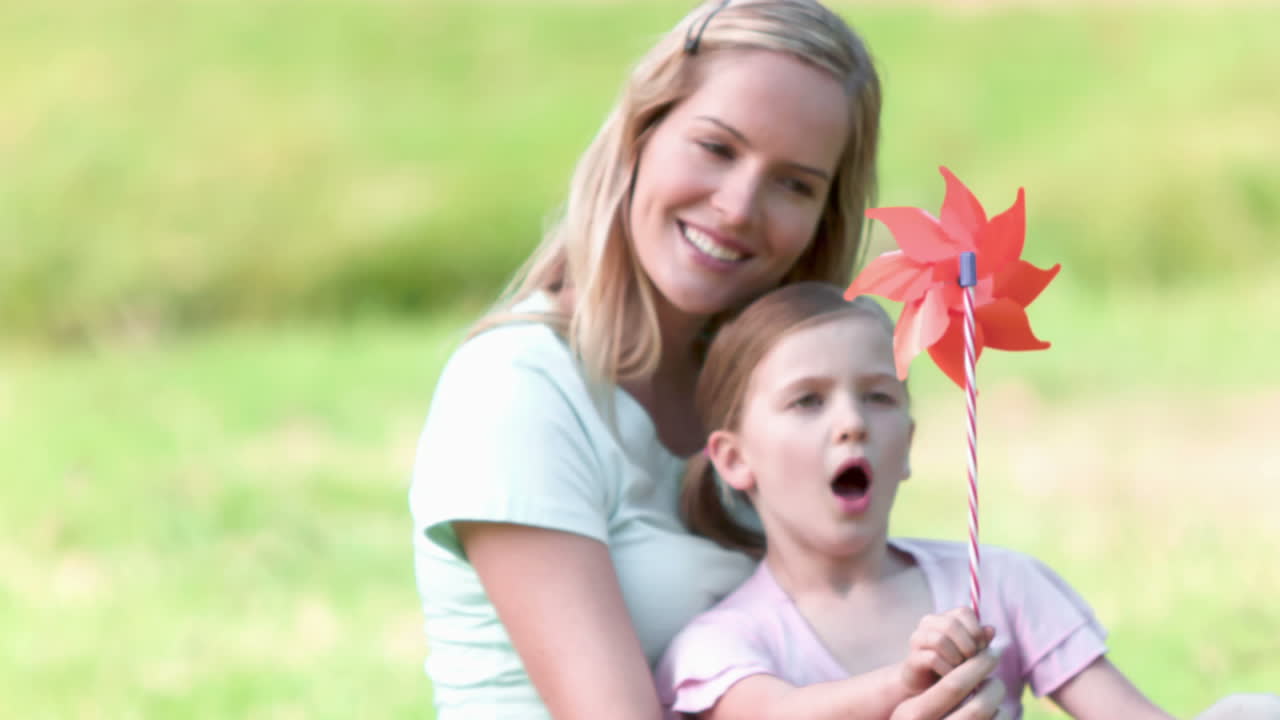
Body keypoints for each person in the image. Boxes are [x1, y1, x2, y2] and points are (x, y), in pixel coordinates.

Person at [409, 1, 1012, 718]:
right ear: (641, 132)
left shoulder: (779, 394)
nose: (737, 205)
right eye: (717, 148)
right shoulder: (516, 390)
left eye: (795, 183)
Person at [656, 281, 1280, 720]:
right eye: (807, 401)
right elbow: (781, 712)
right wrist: (905, 684)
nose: (851, 422)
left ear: (908, 446)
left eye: (878, 396)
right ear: (734, 459)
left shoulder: (1001, 587)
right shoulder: (721, 643)